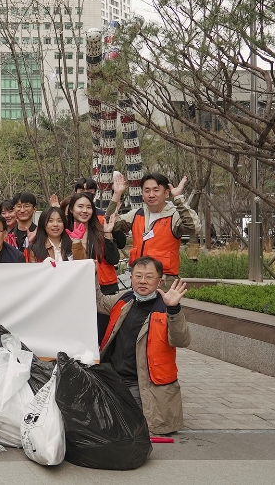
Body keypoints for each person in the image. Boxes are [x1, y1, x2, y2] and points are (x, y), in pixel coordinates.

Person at [97, 256, 191, 434]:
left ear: (160, 281)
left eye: (149, 277)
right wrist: (91, 273)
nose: (143, 281)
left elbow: (182, 340)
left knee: (125, 426)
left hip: (141, 384)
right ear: (130, 278)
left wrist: (173, 309)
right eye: (138, 276)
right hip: (113, 378)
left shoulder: (166, 309)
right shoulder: (124, 299)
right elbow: (99, 302)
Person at [107, 172, 200, 286]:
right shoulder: (137, 214)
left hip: (164, 282)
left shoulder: (174, 216)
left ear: (166, 193)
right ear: (142, 194)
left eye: (156, 190)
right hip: (138, 281)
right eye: (147, 190)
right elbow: (108, 224)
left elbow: (193, 227)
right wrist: (117, 194)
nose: (151, 194)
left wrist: (178, 198)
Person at [66, 193, 121, 293]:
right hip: (76, 287)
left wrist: (108, 234)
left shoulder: (101, 230)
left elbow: (114, 259)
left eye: (88, 207)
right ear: (71, 209)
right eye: (80, 206)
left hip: (105, 287)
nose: (85, 211)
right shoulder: (65, 233)